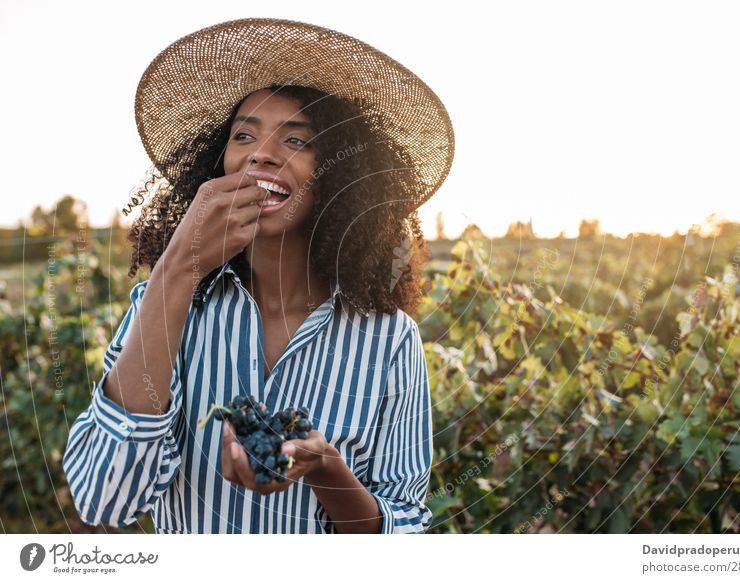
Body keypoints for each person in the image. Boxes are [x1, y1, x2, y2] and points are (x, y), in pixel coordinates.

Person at [62, 17, 454, 534]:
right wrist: (177, 267)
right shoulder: (163, 306)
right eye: (243, 134)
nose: (262, 152)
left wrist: (326, 468)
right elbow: (102, 501)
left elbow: (403, 529)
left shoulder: (388, 340)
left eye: (297, 140)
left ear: (341, 176)